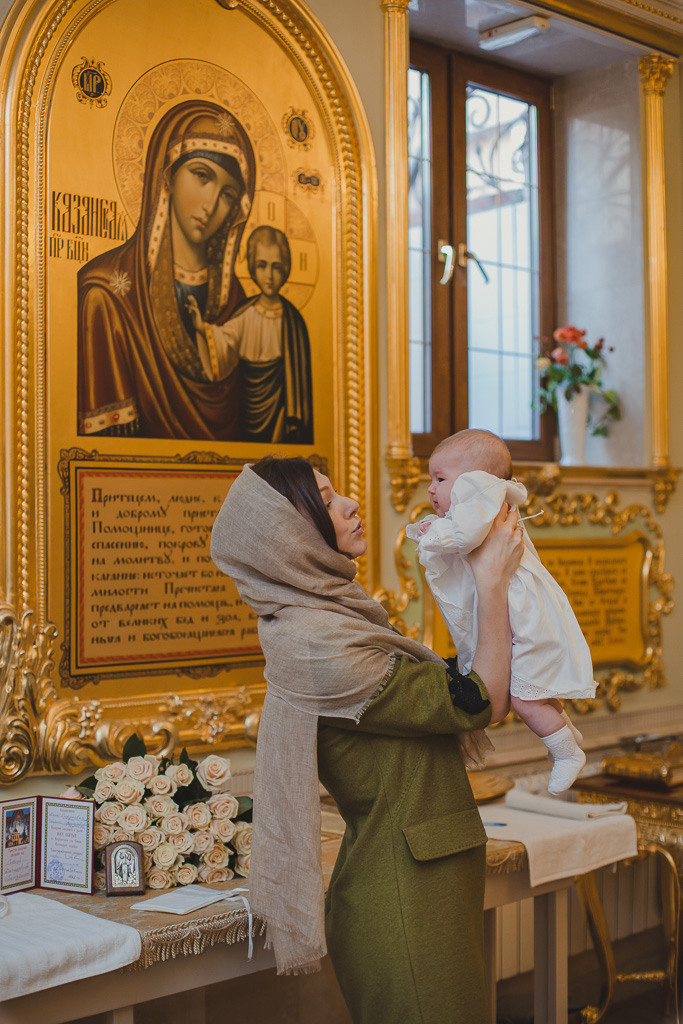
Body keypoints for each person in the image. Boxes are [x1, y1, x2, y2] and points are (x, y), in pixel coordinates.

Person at [210, 455, 524, 1023]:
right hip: (402, 896)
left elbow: (457, 681)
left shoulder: (332, 619)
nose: (350, 503)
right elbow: (479, 699)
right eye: (326, 501)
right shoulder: (317, 643)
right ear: (289, 534)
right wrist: (491, 578)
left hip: (418, 882)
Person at [407, 428, 596, 795]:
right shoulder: (481, 501)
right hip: (520, 608)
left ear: (475, 477)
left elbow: (463, 537)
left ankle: (566, 752)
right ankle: (565, 733)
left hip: (523, 612)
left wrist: (429, 534)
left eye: (440, 478)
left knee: (523, 696)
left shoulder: (477, 493)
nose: (431, 488)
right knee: (532, 686)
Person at [77, 100, 256, 439]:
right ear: (168, 174)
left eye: (228, 193)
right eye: (202, 176)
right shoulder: (106, 295)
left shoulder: (236, 301)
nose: (211, 204)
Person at [187, 225, 313, 443]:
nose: (270, 276)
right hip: (247, 408)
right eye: (262, 266)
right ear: (253, 269)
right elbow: (223, 342)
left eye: (276, 267)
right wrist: (200, 326)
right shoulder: (246, 312)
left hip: (281, 413)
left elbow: (297, 383)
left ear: (286, 269)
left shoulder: (293, 321)